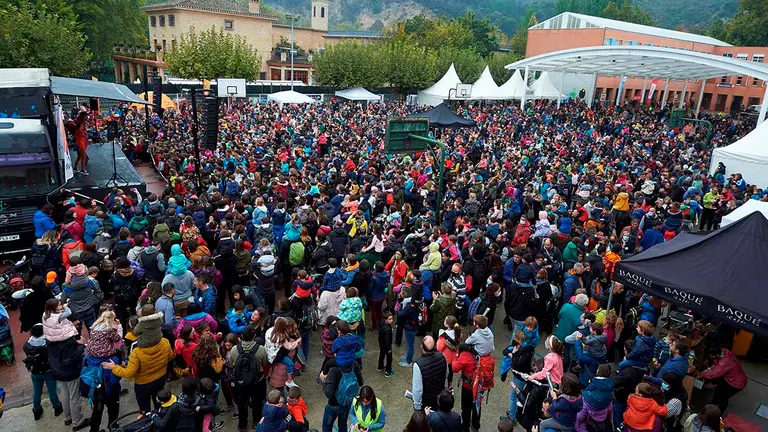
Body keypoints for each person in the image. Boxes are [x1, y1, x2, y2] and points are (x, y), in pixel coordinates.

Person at [102, 330, 174, 413]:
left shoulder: (137, 352)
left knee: (145, 410)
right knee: (160, 404)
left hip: (143, 385)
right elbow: (170, 358)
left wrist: (113, 367)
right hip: (161, 379)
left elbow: (129, 373)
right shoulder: (165, 342)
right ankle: (160, 417)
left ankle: (147, 419)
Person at [229, 325, 268, 432]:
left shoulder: (234, 349)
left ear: (242, 336)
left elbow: (232, 364)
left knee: (242, 403)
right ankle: (256, 421)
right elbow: (265, 363)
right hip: (257, 380)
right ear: (254, 336)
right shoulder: (261, 349)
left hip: (240, 381)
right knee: (257, 401)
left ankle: (242, 426)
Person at [23, 323, 63, 421]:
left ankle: (36, 411)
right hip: (48, 372)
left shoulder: (27, 346)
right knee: (52, 391)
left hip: (35, 372)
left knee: (37, 392)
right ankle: (57, 407)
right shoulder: (47, 345)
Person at [322, 355, 364, 432]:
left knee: (327, 426)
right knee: (343, 424)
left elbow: (329, 393)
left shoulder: (334, 370)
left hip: (334, 404)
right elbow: (361, 383)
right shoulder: (355, 364)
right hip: (348, 402)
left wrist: (324, 380)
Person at [700, 346, 747, 413]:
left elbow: (714, 374)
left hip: (736, 383)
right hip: (729, 378)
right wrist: (709, 369)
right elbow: (716, 363)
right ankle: (710, 407)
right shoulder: (723, 352)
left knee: (723, 398)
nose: (711, 357)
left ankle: (718, 414)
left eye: (712, 356)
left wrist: (703, 374)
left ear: (717, 354)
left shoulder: (726, 361)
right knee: (718, 392)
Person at [412, 335, 447, 412]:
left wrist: (417, 406)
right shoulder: (442, 357)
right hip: (439, 398)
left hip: (426, 402)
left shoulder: (418, 365)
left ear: (422, 346)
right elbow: (446, 376)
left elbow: (417, 389)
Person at [377, 311, 395, 377]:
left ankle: (380, 367)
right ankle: (388, 372)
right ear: (385, 320)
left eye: (392, 318)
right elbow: (387, 340)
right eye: (389, 319)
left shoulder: (381, 324)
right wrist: (389, 349)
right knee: (389, 358)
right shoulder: (388, 330)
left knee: (381, 355)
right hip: (387, 346)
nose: (391, 320)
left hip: (381, 343)